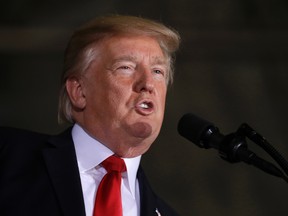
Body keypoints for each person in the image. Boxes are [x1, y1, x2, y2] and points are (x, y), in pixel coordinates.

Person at [0, 15, 180, 216]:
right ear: (79, 91)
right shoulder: (8, 157)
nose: (148, 83)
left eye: (157, 71)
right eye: (126, 67)